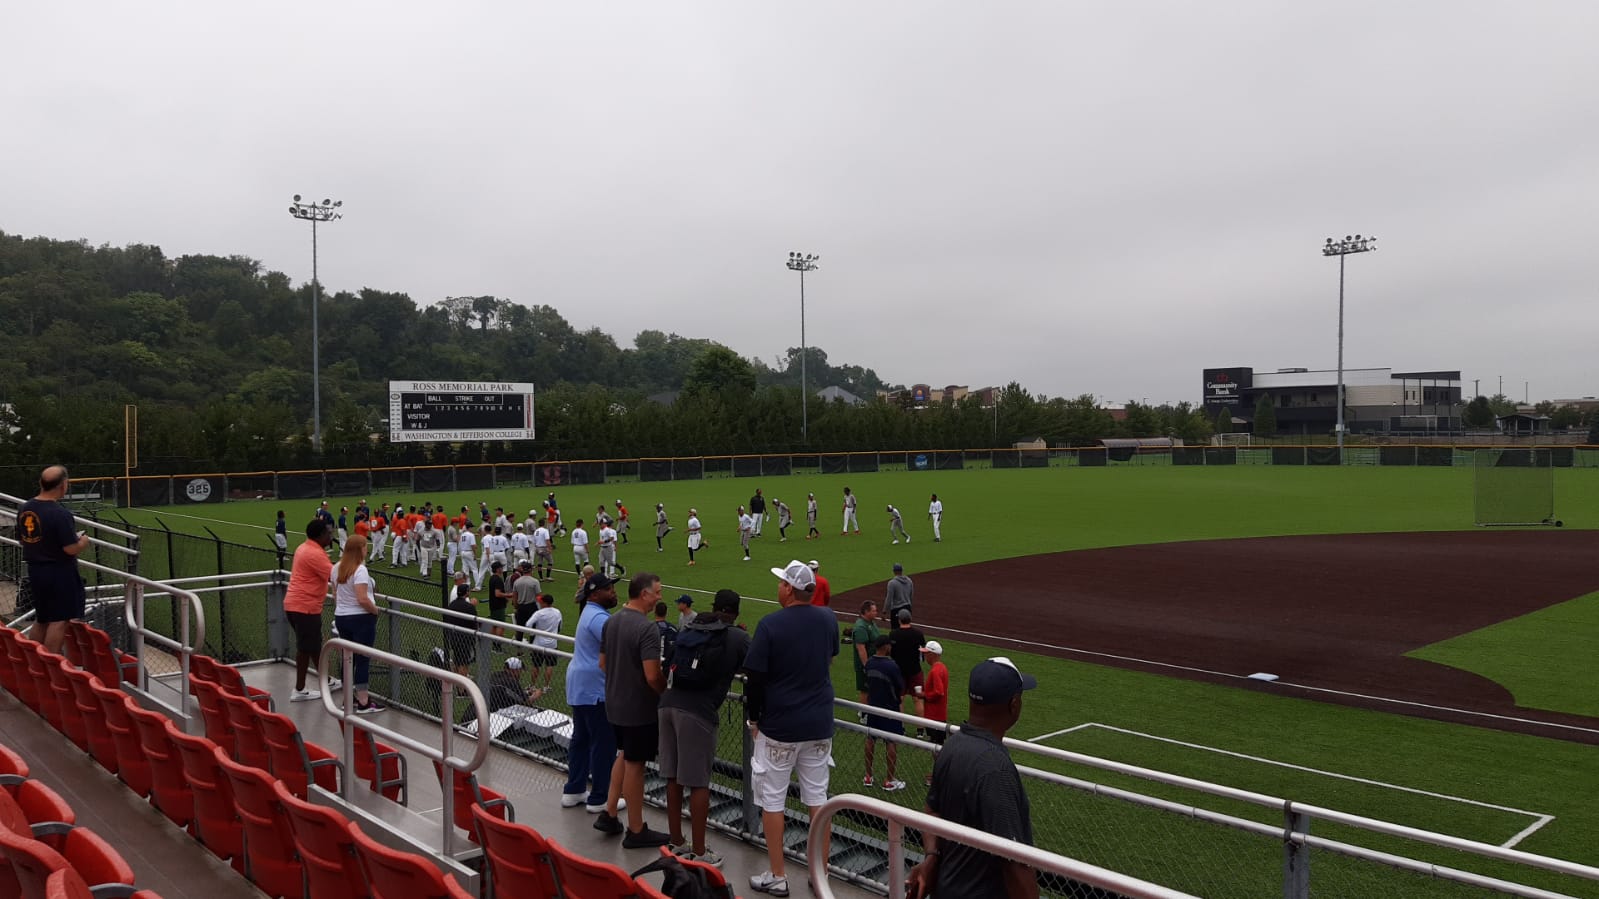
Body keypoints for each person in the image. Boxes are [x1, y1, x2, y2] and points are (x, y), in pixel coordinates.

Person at [905, 658, 1040, 899]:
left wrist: (932, 858)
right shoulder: (995, 769)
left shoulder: (952, 746)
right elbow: (1014, 862)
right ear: (1014, 704)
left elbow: (931, 811)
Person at [744, 560, 838, 897]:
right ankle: (820, 874)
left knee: (773, 801)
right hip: (818, 723)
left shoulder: (770, 624)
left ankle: (778, 874)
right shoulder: (828, 618)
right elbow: (828, 660)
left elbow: (754, 679)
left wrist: (754, 718)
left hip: (780, 726)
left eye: (782, 582)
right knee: (818, 800)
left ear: (788, 589)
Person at [658, 588, 751, 866]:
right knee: (698, 782)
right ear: (735, 612)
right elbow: (756, 668)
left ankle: (676, 842)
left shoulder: (693, 626)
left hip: (668, 703)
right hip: (696, 712)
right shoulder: (736, 636)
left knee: (673, 777)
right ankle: (699, 852)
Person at [596, 572, 670, 847]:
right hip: (638, 708)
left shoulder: (612, 621)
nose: (659, 597)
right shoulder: (646, 628)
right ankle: (637, 830)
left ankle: (610, 811)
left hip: (614, 703)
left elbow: (602, 663)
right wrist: (665, 693)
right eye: (657, 592)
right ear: (644, 594)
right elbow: (652, 675)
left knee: (625, 755)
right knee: (636, 766)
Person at [563, 573, 620, 814]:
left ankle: (574, 790)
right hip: (595, 688)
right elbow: (619, 645)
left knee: (582, 739)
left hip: (581, 685)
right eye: (609, 589)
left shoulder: (590, 612)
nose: (614, 592)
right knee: (603, 744)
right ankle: (600, 797)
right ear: (596, 593)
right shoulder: (598, 617)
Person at [17, 465, 90, 654]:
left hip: (36, 571)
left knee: (42, 618)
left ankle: (34, 664)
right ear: (63, 485)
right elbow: (69, 548)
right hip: (59, 572)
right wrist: (82, 542)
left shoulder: (26, 507)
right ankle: (51, 668)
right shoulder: (60, 514)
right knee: (59, 619)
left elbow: (22, 538)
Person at [331, 533, 384, 713]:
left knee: (348, 659)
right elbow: (362, 598)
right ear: (359, 549)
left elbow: (336, 596)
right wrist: (375, 610)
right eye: (364, 546)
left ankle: (348, 697)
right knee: (362, 659)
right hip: (360, 618)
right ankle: (363, 701)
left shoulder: (336, 567)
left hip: (342, 616)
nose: (366, 549)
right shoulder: (360, 570)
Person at [863, 635, 906, 791]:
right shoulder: (892, 666)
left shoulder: (869, 663)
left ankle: (868, 776)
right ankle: (889, 780)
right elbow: (900, 687)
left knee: (870, 739)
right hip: (889, 709)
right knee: (891, 742)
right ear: (885, 647)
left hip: (873, 707)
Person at [918, 640, 950, 784]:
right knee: (938, 746)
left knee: (936, 747)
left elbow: (938, 692)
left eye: (926, 654)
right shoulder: (942, 667)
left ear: (932, 654)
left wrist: (924, 695)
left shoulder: (935, 670)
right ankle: (940, 774)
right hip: (940, 714)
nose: (924, 656)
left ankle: (939, 776)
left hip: (934, 715)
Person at [890, 610, 927, 718]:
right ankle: (920, 731)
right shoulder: (918, 634)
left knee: (900, 699)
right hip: (915, 670)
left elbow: (891, 653)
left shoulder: (893, 634)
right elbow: (922, 652)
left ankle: (901, 728)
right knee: (918, 699)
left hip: (899, 672)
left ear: (899, 620)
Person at [528, 591, 562, 693]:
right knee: (549, 665)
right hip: (552, 643)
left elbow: (528, 624)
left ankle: (533, 686)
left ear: (544, 603)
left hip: (538, 643)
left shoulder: (539, 613)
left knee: (536, 665)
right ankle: (546, 686)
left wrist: (532, 634)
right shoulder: (557, 612)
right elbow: (560, 625)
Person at [445, 578, 479, 677]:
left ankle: (458, 681)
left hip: (454, 637)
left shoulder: (452, 604)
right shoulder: (469, 607)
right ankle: (462, 689)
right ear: (466, 593)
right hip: (465, 638)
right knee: (464, 663)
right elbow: (474, 622)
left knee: (457, 660)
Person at [851, 601, 881, 705]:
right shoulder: (861, 627)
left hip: (874, 662)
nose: (876, 612)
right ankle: (863, 714)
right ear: (866, 612)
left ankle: (869, 711)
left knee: (872, 689)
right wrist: (866, 665)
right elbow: (861, 648)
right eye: (874, 611)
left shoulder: (871, 623)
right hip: (866, 664)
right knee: (865, 689)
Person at [511, 560, 542, 635]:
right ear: (530, 569)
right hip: (531, 607)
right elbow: (539, 596)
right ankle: (532, 643)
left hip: (521, 607)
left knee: (520, 628)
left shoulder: (517, 581)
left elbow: (515, 596)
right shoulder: (534, 581)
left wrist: (516, 607)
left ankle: (518, 643)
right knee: (533, 628)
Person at [486, 560, 513, 640]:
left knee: (494, 624)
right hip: (499, 606)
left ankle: (494, 643)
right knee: (501, 625)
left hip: (493, 605)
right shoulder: (498, 580)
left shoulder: (492, 578)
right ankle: (498, 645)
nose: (502, 569)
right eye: (501, 567)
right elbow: (497, 594)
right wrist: (508, 595)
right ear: (498, 569)